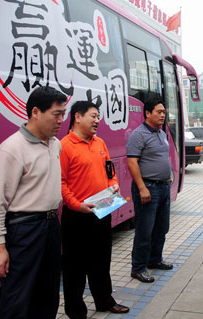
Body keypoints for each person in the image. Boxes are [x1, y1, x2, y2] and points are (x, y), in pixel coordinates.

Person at [0, 86, 67, 319]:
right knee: (18, 297)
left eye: (63, 113)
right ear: (35, 112)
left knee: (49, 293)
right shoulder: (11, 149)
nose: (62, 120)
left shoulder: (55, 144)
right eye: (56, 114)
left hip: (51, 226)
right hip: (24, 230)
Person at [60, 101, 130, 317]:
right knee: (75, 267)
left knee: (102, 260)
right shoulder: (65, 146)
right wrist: (76, 205)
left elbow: (110, 171)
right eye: (93, 115)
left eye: (98, 116)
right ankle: (75, 309)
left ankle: (104, 300)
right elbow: (60, 182)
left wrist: (114, 185)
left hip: (103, 209)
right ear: (77, 117)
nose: (98, 120)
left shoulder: (100, 143)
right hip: (76, 216)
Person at [127, 96, 173, 283]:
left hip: (163, 187)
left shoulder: (161, 133)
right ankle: (138, 268)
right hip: (148, 188)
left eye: (164, 112)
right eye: (159, 112)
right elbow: (132, 162)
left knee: (162, 227)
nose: (163, 115)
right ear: (147, 113)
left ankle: (154, 259)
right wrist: (141, 187)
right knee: (144, 230)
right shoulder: (138, 134)